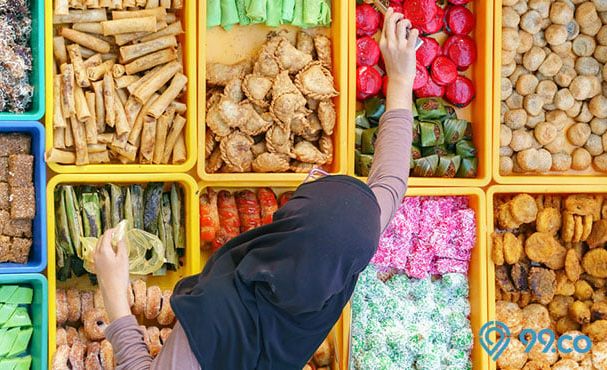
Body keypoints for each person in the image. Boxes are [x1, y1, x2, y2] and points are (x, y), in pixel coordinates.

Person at [94, 9, 418, 370]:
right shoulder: (344, 260)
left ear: (286, 224)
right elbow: (391, 182)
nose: (311, 176)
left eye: (307, 191)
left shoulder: (216, 321)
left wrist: (113, 291)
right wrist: (402, 80)